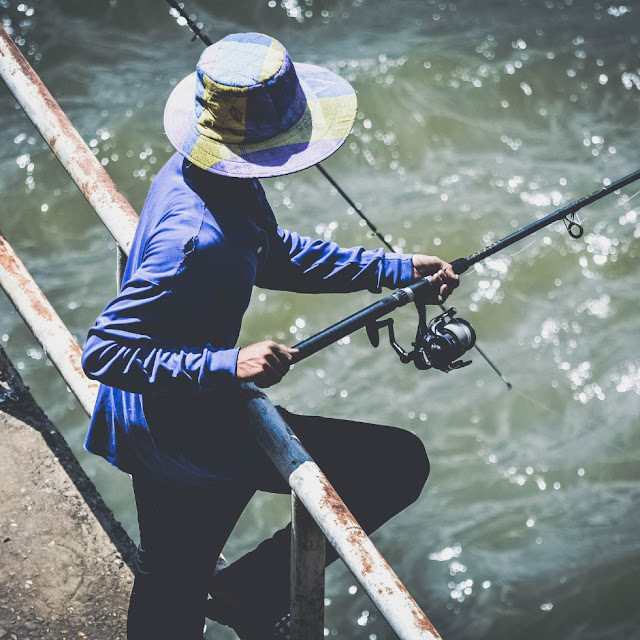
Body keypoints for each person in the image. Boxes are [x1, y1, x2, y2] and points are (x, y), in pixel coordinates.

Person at [82, 32, 459, 639]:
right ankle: (246, 592)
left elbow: (270, 252)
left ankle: (238, 592)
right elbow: (105, 351)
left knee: (171, 583)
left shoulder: (203, 174)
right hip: (187, 434)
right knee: (395, 463)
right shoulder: (192, 241)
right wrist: (227, 366)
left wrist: (391, 270)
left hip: (158, 415)